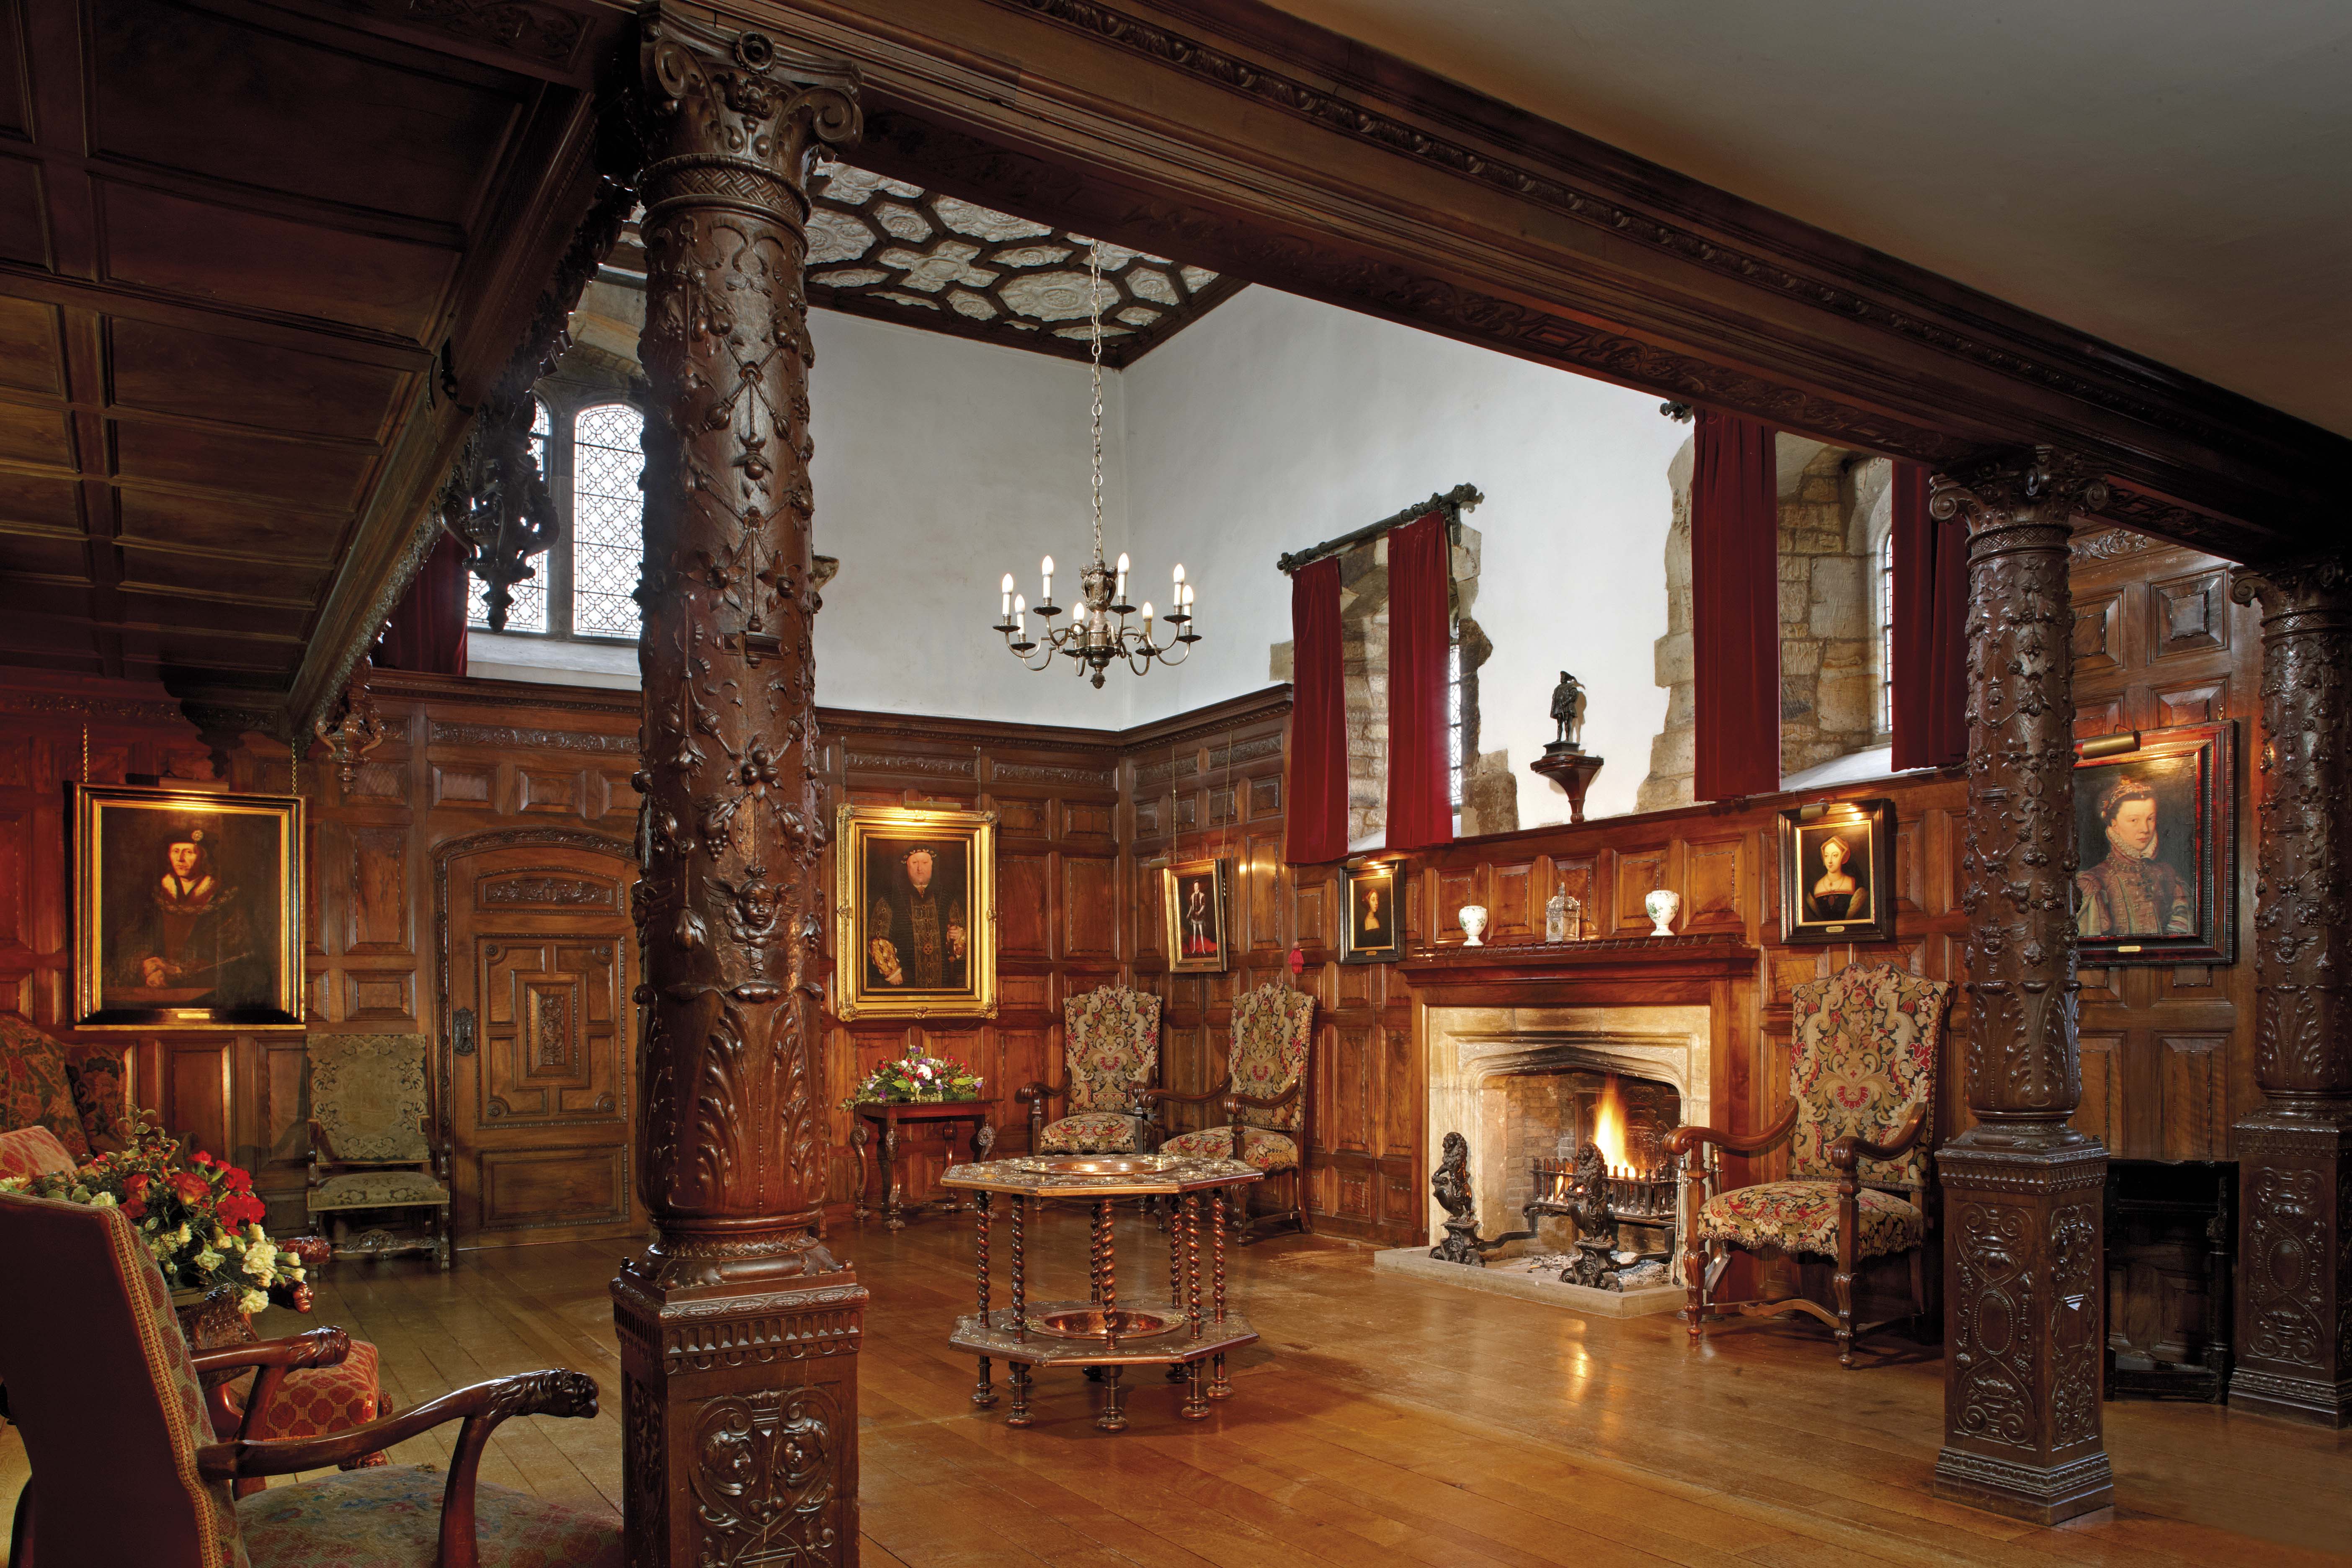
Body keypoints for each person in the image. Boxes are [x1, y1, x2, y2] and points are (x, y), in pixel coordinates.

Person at [116, 822, 265, 1006]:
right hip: (154, 993)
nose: (180, 859)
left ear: (203, 857)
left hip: (207, 995)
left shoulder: (226, 899)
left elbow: (236, 955)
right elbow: (130, 941)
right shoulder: (153, 896)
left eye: (189, 852)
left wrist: (179, 971)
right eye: (176, 851)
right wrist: (146, 968)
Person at [2076, 776, 2193, 938]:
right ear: (2114, 825)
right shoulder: (2093, 880)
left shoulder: (2169, 875)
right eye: (2134, 820)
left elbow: (2183, 935)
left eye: (2150, 819)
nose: (2145, 829)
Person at [867, 844, 967, 988]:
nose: (920, 868)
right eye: (915, 863)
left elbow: (963, 937)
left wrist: (958, 936)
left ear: (932, 865)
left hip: (943, 983)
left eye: (925, 863)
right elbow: (878, 938)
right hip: (904, 982)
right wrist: (893, 972)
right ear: (907, 865)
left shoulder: (947, 898)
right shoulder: (890, 899)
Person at [1805, 834, 1871, 923]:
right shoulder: (1815, 888)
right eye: (1827, 856)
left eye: (1835, 855)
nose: (1830, 861)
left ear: (1843, 857)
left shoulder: (1855, 886)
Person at [1184, 880, 1212, 954]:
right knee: (1194, 933)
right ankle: (1194, 949)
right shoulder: (1192, 896)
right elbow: (1192, 907)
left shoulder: (1202, 895)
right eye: (1194, 887)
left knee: (1201, 933)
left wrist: (1200, 912)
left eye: (1197, 886)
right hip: (1194, 916)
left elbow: (1203, 905)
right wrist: (1188, 914)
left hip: (1200, 916)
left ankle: (1203, 949)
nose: (1195, 888)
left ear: (1199, 887)